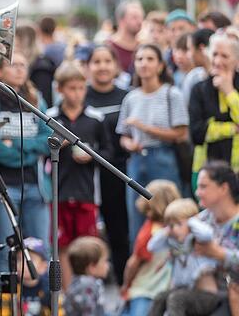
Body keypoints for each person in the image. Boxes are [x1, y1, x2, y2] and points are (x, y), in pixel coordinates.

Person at [0, 52, 51, 273]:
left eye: (23, 65)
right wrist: (30, 147)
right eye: (13, 65)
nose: (19, 69)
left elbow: (48, 139)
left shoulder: (36, 100)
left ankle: (39, 302)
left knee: (40, 248)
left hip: (35, 186)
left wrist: (15, 145)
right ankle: (6, 303)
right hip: (3, 187)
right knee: (5, 248)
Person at [117, 44, 188, 245]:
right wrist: (130, 144)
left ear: (160, 65)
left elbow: (180, 133)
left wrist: (144, 127)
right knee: (137, 216)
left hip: (163, 157)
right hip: (137, 160)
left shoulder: (171, 94)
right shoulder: (131, 97)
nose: (144, 64)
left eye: (150, 59)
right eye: (139, 59)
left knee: (170, 213)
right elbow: (124, 135)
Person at [47, 61, 106, 287]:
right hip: (59, 190)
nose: (77, 93)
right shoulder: (51, 117)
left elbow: (109, 152)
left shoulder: (95, 119)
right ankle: (69, 295)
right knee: (63, 245)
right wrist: (56, 146)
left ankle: (88, 293)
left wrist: (92, 154)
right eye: (71, 88)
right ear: (60, 89)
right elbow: (40, 151)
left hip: (87, 192)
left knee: (88, 244)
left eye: (81, 88)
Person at [84, 45, 130, 284]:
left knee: (119, 230)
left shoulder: (127, 96)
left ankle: (123, 282)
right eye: (96, 61)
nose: (102, 67)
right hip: (87, 176)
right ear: (88, 67)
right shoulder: (81, 96)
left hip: (119, 174)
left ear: (115, 66)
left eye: (107, 61)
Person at [147, 198, 221, 316]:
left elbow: (207, 234)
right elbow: (151, 247)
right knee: (160, 298)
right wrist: (167, 230)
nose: (175, 229)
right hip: (186, 291)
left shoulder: (196, 239)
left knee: (176, 299)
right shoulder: (174, 242)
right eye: (171, 225)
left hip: (206, 295)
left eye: (178, 224)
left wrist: (192, 221)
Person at [120, 180, 180, 316]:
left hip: (149, 289)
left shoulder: (150, 231)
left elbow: (133, 263)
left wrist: (126, 285)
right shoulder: (177, 229)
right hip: (156, 289)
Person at [189, 33, 239, 181]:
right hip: (206, 171)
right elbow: (197, 133)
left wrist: (229, 92)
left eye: (225, 56)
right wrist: (233, 129)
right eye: (215, 54)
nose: (218, 61)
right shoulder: (199, 89)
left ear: (236, 60)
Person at [192, 161, 239, 315]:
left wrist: (219, 253)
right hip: (207, 293)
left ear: (224, 188)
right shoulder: (200, 221)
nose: (198, 192)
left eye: (203, 186)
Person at [0, 237, 52, 316]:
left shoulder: (49, 289)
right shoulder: (9, 287)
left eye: (29, 259)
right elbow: (1, 312)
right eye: (19, 259)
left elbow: (58, 312)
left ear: (43, 266)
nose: (23, 264)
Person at [64, 236, 110, 316]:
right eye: (105, 261)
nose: (108, 265)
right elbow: (88, 312)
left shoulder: (81, 282)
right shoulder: (87, 286)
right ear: (92, 267)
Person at [108, 0, 144, 75]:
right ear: (121, 20)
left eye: (141, 17)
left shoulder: (144, 47)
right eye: (134, 17)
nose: (139, 21)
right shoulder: (108, 47)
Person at [182, 28, 215, 107]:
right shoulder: (193, 77)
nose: (188, 55)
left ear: (201, 48)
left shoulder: (228, 76)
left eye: (189, 49)